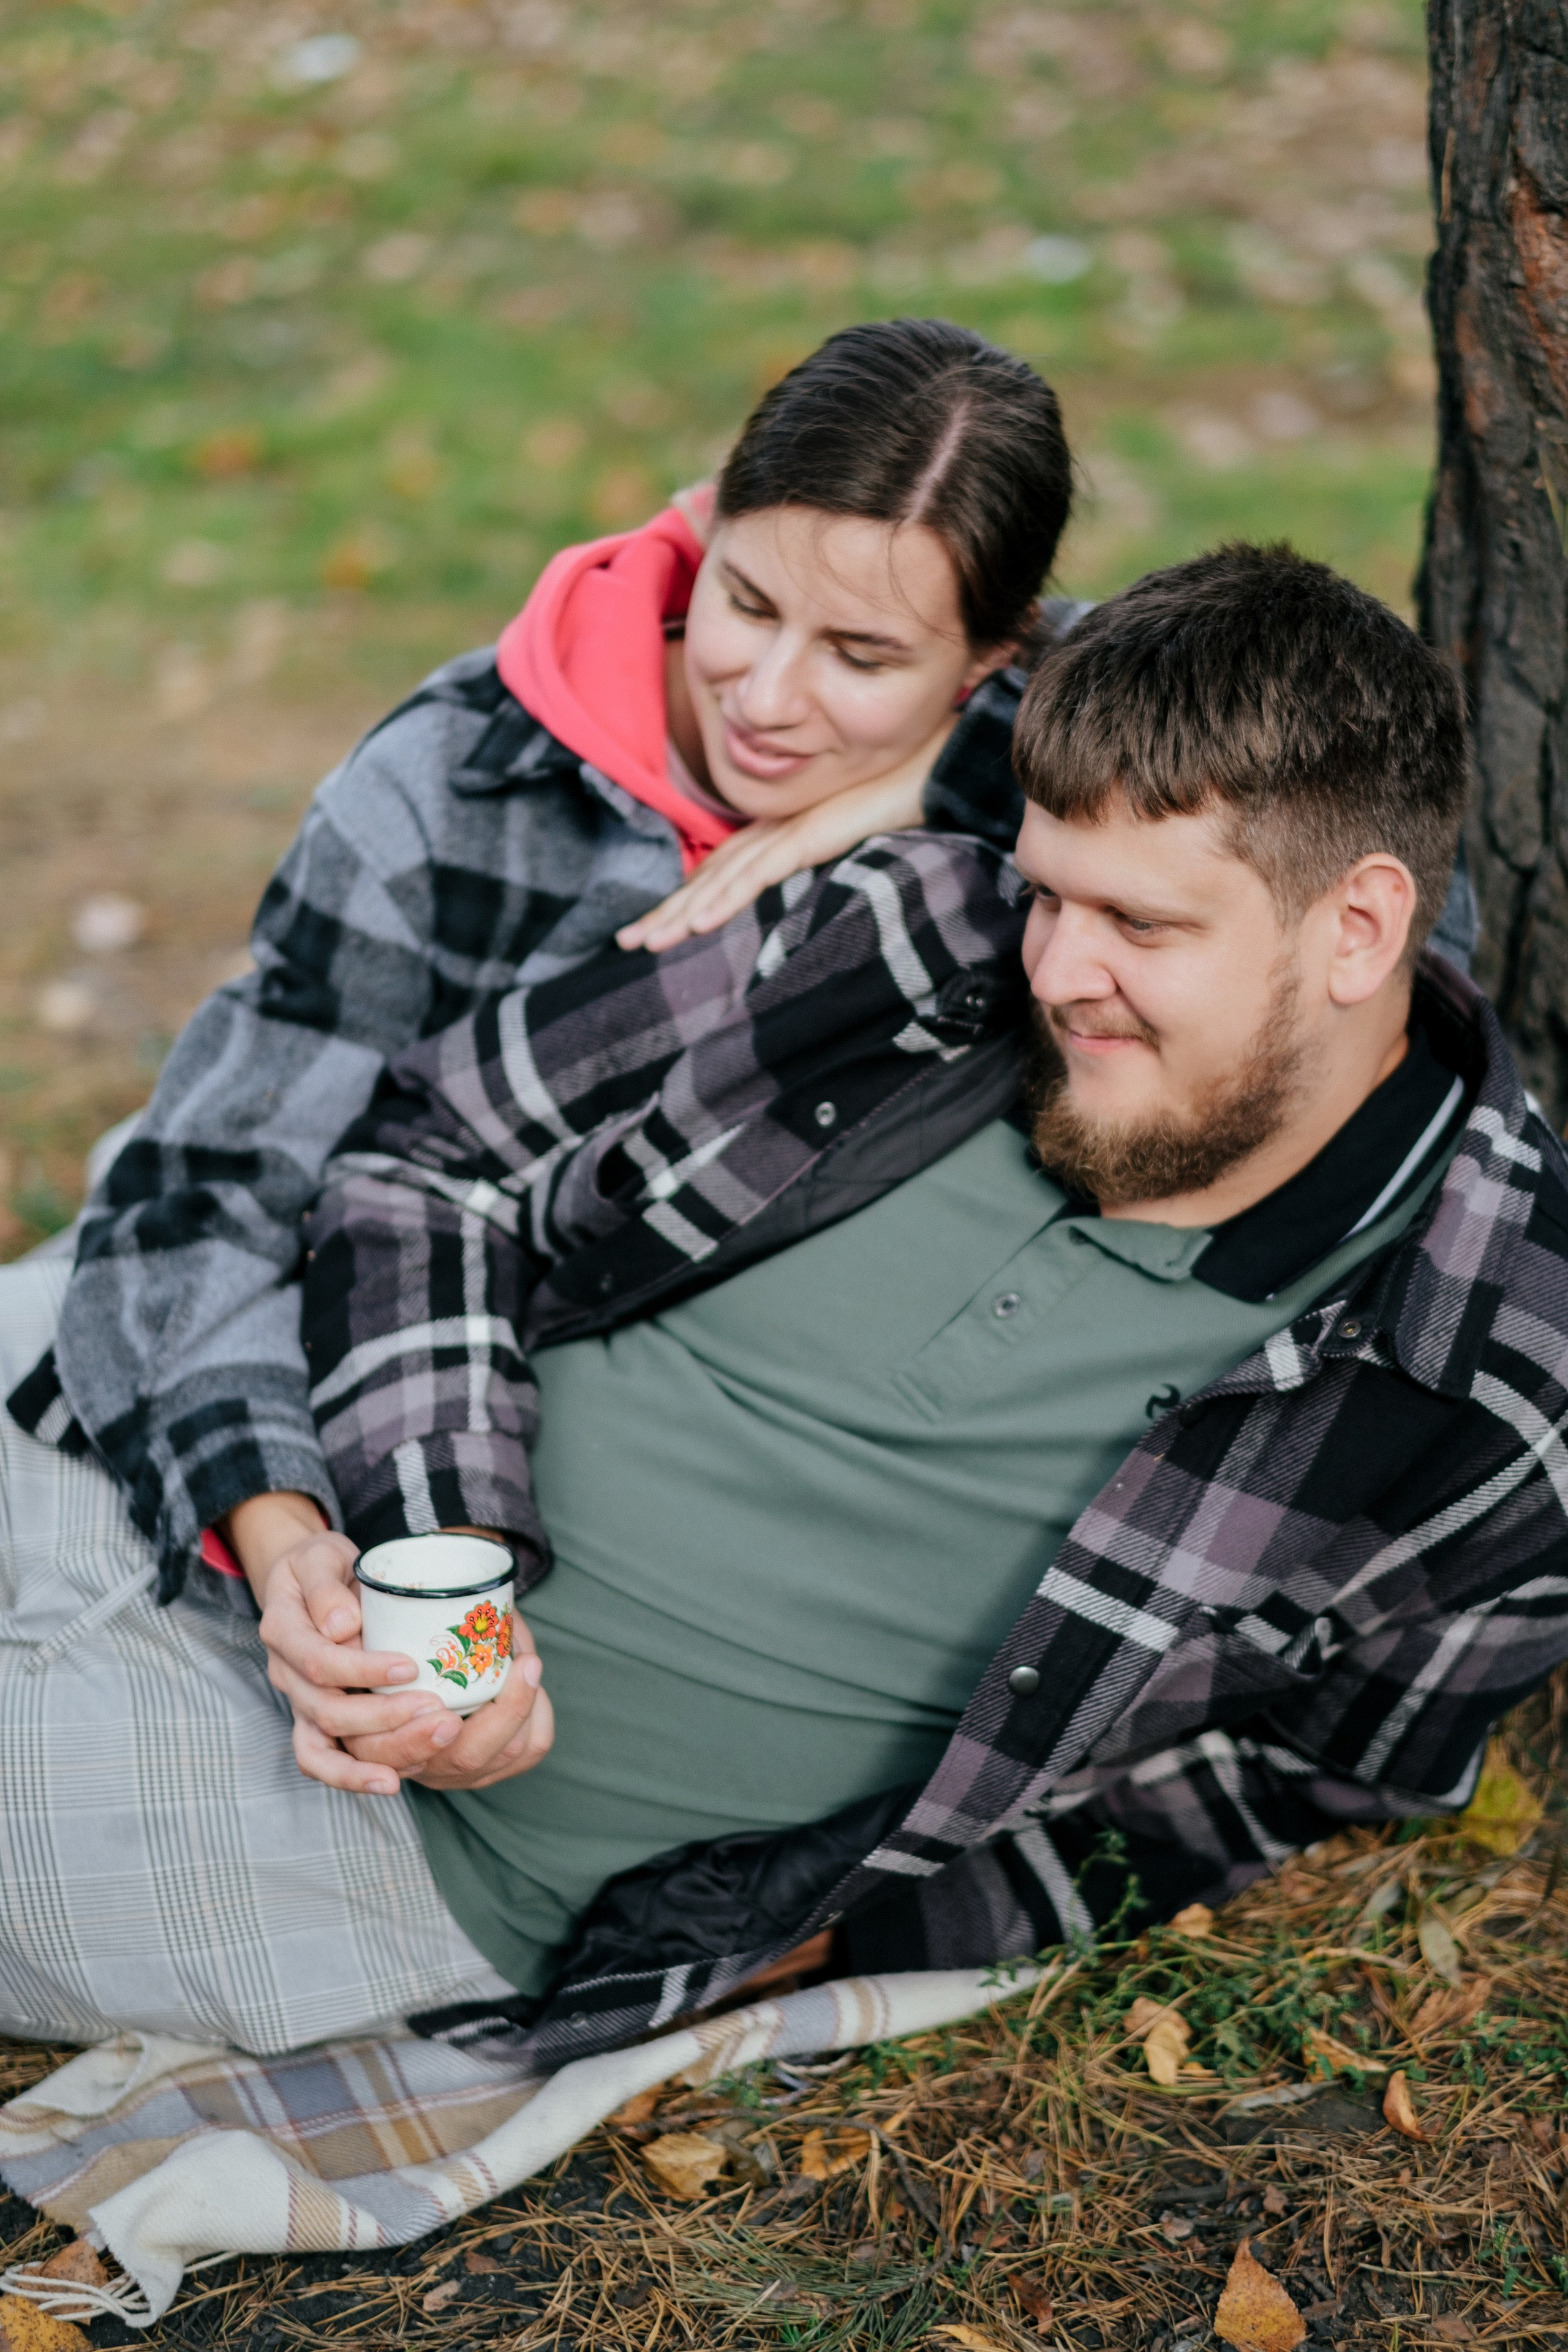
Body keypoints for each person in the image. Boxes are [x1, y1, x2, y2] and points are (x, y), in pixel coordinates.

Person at [6, 540, 1553, 2073]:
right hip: (205, 1438)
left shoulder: (1485, 1385)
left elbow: (1308, 1779)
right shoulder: (913, 928)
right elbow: (436, 1153)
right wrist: (433, 1544)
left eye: (1138, 926)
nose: (1059, 971)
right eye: (1045, 896)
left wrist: (837, 1931)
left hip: (385, 1842)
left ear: (1356, 928)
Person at [0, 320, 1071, 2054]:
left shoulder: (1059, 765)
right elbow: (206, 1195)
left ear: (991, 658)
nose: (771, 694)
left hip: (513, 1424)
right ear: (697, 522)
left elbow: (1357, 871)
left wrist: (924, 794)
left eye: (863, 655)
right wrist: (273, 1533)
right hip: (255, 1306)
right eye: (744, 602)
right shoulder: (453, 785)